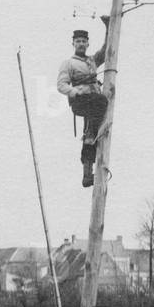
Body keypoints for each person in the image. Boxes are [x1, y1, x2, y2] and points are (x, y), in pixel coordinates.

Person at [56, 19, 110, 188]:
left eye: (83, 41)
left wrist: (109, 27)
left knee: (90, 134)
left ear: (87, 43)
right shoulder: (69, 63)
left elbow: (106, 50)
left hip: (93, 103)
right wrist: (74, 91)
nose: (80, 44)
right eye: (77, 41)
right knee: (101, 102)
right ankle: (91, 137)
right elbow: (61, 85)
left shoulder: (92, 61)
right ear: (73, 43)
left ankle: (87, 174)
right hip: (81, 101)